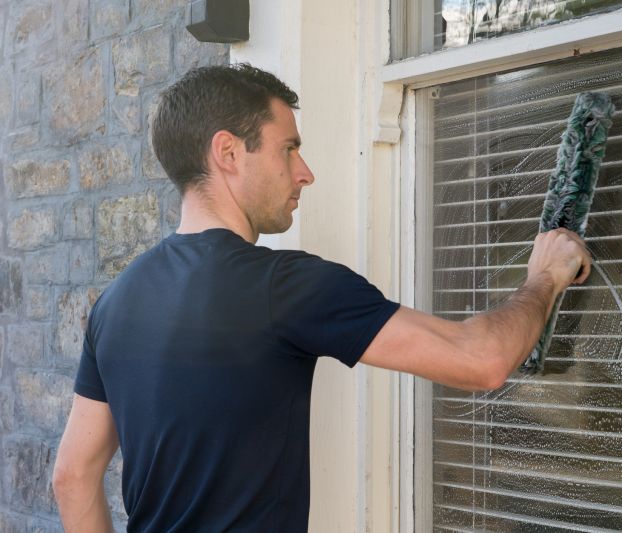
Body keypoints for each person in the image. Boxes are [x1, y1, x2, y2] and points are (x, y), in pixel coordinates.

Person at [52, 64, 591, 532]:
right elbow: (483, 360)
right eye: (289, 149)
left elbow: (72, 476)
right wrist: (545, 275)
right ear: (228, 153)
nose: (305, 173)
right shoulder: (285, 286)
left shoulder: (116, 302)